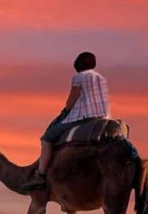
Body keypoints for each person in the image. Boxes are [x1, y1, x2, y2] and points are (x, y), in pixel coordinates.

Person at [23, 51, 110, 191]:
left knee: (47, 138)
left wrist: (65, 111)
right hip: (102, 118)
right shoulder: (101, 78)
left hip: (83, 117)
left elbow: (71, 101)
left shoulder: (78, 77)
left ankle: (40, 174)